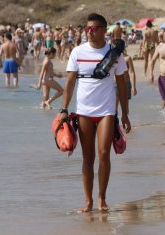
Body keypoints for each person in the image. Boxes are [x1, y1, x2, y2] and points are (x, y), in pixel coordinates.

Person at [60, 13, 131, 213]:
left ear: (103, 30)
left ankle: (101, 198)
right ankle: (88, 201)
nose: (89, 32)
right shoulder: (77, 52)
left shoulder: (114, 53)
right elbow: (70, 83)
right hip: (83, 111)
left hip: (107, 111)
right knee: (88, 157)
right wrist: (65, 109)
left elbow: (122, 85)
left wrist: (125, 113)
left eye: (93, 28)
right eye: (87, 29)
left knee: (104, 153)